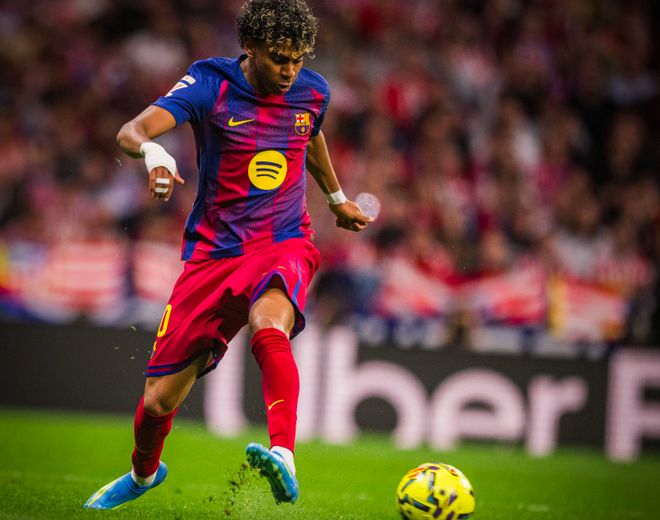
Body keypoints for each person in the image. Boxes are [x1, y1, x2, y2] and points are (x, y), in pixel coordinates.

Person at [83, 0, 371, 510]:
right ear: (250, 47)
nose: (289, 70)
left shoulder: (313, 91)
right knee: (158, 402)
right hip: (213, 256)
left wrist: (335, 199)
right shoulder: (209, 84)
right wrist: (155, 153)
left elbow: (311, 135)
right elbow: (131, 131)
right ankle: (143, 474)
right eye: (279, 58)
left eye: (297, 59)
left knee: (269, 322)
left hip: (283, 239)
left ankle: (284, 453)